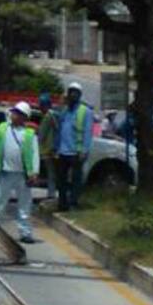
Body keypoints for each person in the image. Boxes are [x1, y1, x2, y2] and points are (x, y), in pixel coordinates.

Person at [0, 101, 40, 244]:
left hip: (23, 175)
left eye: (17, 113)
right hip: (4, 173)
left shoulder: (30, 134)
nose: (13, 114)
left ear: (24, 117)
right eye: (14, 112)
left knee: (24, 205)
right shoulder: (2, 129)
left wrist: (34, 172)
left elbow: (35, 154)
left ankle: (25, 233)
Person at [55, 81, 93, 211]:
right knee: (61, 180)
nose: (72, 95)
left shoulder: (85, 111)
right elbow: (60, 129)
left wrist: (84, 150)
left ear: (79, 95)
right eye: (70, 92)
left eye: (75, 93)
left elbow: (88, 132)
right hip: (63, 151)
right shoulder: (65, 111)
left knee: (76, 180)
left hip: (76, 152)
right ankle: (62, 203)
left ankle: (74, 202)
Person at [36, 91, 59, 201]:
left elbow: (42, 135)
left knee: (51, 173)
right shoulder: (54, 115)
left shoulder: (48, 117)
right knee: (53, 173)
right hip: (53, 148)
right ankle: (52, 193)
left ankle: (51, 194)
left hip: (48, 149)